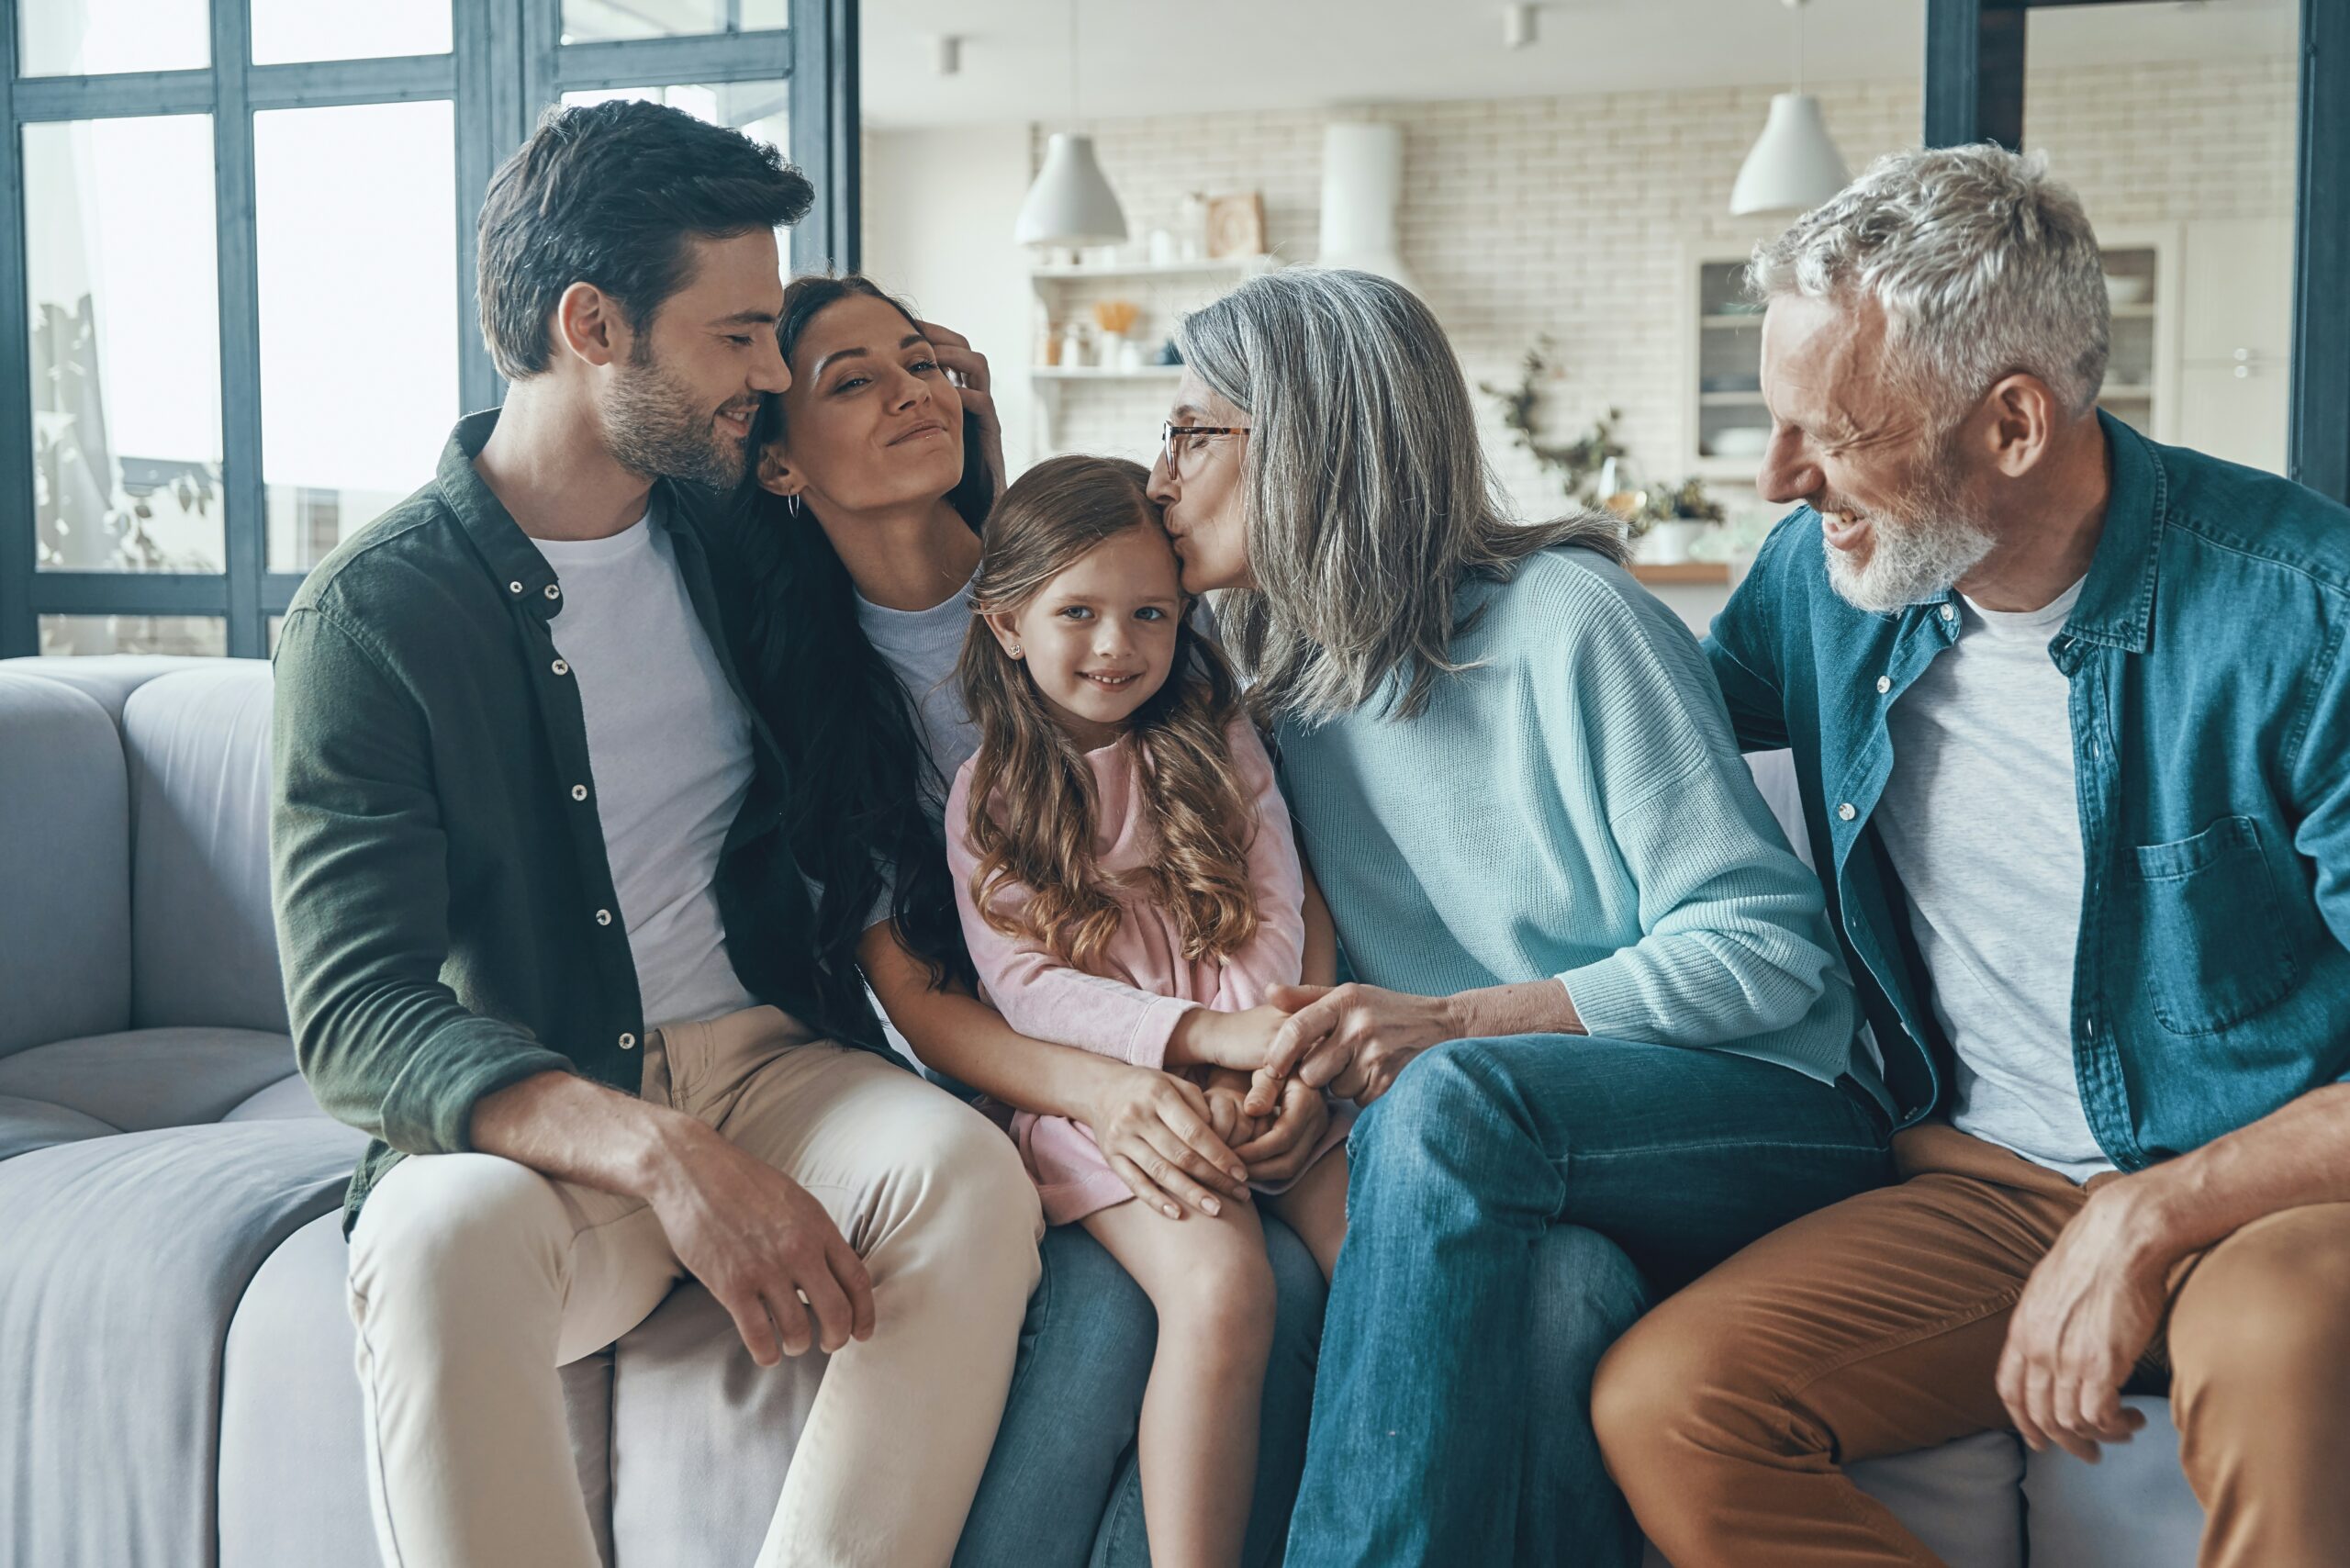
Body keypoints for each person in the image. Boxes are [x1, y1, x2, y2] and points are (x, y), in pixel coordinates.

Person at [270, 102, 1041, 1568]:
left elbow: (946, 601)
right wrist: (663, 1155)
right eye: (738, 336)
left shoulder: (738, 531)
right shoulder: (372, 617)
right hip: (550, 1110)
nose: (770, 374)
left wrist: (977, 446)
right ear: (592, 326)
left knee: (965, 1180)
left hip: (777, 1059)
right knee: (433, 1247)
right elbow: (357, 1017)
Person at [1589, 143, 2350, 1568]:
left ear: (2013, 423)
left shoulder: (2313, 617)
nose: (1775, 477)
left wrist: (2157, 1211)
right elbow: (1640, 769)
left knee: (2275, 1350)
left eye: (1831, 429)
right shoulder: (1820, 588)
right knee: (1673, 1402)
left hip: (2277, 1195)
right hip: (1984, 1186)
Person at [1147, 266, 1896, 1568]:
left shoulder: (1573, 624)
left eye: (1195, 431)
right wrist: (1303, 1082)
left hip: (1762, 1104)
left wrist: (1450, 1029)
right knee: (1566, 1304)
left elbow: (1764, 951)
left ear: (1315, 440)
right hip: (1513, 1155)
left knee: (1455, 1098)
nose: (1157, 474)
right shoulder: (1278, 695)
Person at [731, 275, 1331, 1566]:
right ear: (778, 464)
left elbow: (1270, 866)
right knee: (1138, 1309)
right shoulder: (830, 696)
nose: (910, 392)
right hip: (1023, 1075)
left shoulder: (1109, 578)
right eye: (853, 381)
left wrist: (1264, 1049)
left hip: (1211, 1043)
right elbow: (932, 998)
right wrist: (1122, 1090)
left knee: (1275, 1287)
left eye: (921, 360)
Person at [943, 454, 1352, 1568]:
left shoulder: (1217, 741)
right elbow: (1026, 987)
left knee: (1377, 1256)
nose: (1118, 644)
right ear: (1007, 623)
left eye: (1150, 614)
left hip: (1259, 1064)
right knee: (1223, 1286)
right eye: (1078, 612)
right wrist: (1192, 1049)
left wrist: (1246, 1063)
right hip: (1107, 1105)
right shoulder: (988, 792)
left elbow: (1278, 903)